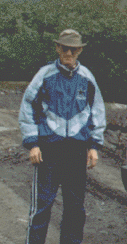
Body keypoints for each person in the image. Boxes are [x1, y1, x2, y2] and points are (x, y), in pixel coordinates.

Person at [19, 29, 106, 244]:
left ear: (80, 51)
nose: (68, 52)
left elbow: (97, 111)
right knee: (42, 208)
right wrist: (32, 143)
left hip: (76, 153)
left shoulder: (87, 78)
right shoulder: (45, 75)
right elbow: (27, 106)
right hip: (48, 152)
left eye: (73, 49)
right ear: (57, 48)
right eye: (64, 48)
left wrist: (94, 145)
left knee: (75, 210)